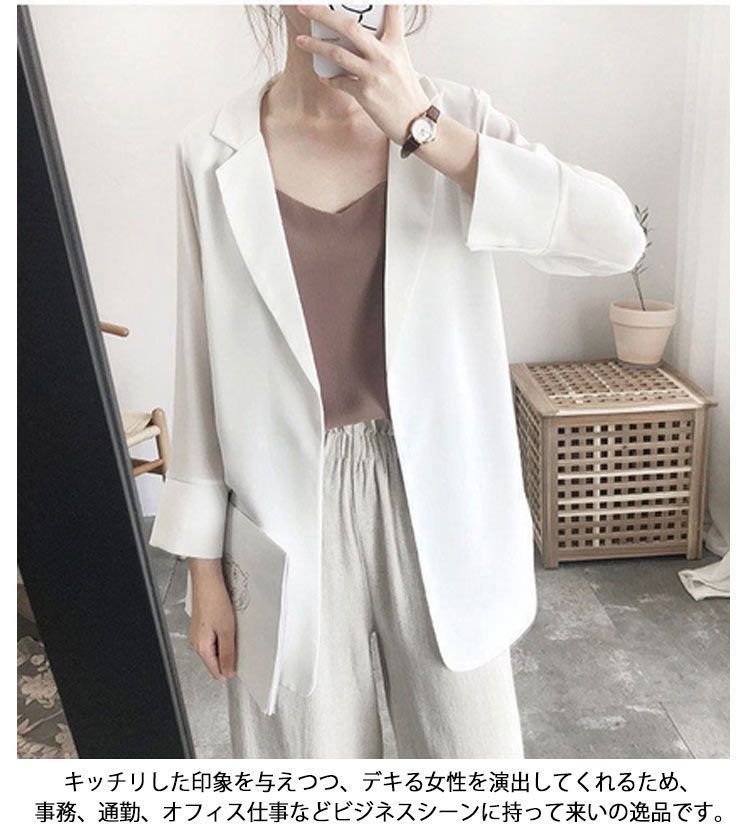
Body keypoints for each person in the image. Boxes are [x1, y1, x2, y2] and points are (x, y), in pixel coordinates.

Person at [149, 4, 646, 759]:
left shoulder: (454, 117)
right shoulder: (210, 151)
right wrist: (204, 571)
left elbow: (617, 237)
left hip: (440, 492)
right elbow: (200, 363)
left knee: (472, 763)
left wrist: (425, 129)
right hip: (286, 507)